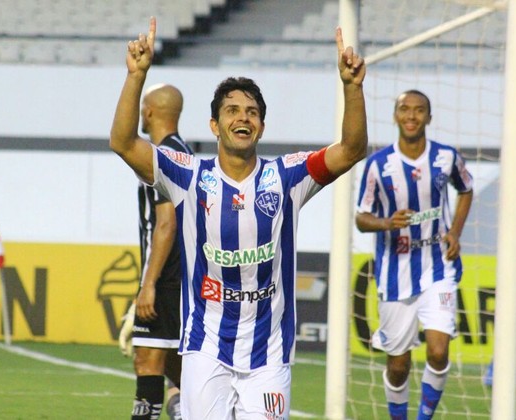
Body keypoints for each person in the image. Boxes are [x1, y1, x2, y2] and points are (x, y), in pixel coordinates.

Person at [110, 17, 367, 419]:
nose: (241, 118)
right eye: (231, 110)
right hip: (205, 349)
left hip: (268, 355)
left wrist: (352, 89)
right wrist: (135, 77)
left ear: (261, 126)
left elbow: (351, 149)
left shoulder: (287, 177)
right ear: (215, 125)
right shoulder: (189, 175)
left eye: (251, 112)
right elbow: (123, 142)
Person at [355, 90, 473, 419]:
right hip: (396, 273)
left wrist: (455, 233)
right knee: (398, 365)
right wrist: (384, 222)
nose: (411, 116)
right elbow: (361, 217)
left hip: (439, 267)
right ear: (395, 116)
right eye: (405, 110)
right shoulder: (378, 165)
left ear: (429, 118)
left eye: (419, 110)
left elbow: (466, 189)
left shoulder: (447, 158)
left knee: (438, 351)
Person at [122, 83, 191, 420]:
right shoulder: (184, 152)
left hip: (167, 278)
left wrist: (148, 284)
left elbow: (166, 224)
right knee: (178, 370)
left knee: (147, 362)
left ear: (148, 111)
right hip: (186, 278)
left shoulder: (161, 155)